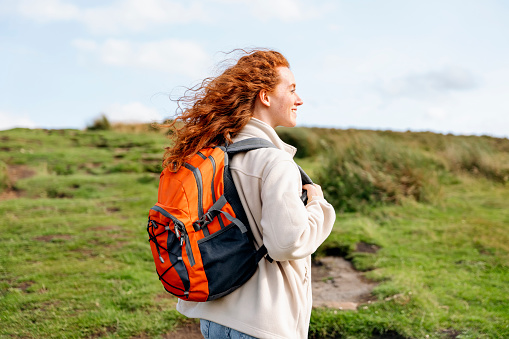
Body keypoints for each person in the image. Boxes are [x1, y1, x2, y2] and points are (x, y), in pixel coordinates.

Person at [163, 49, 336, 339]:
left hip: (213, 316)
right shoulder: (274, 161)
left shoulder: (212, 155)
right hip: (259, 325)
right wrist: (319, 207)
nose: (299, 99)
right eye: (291, 89)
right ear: (265, 97)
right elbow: (286, 244)